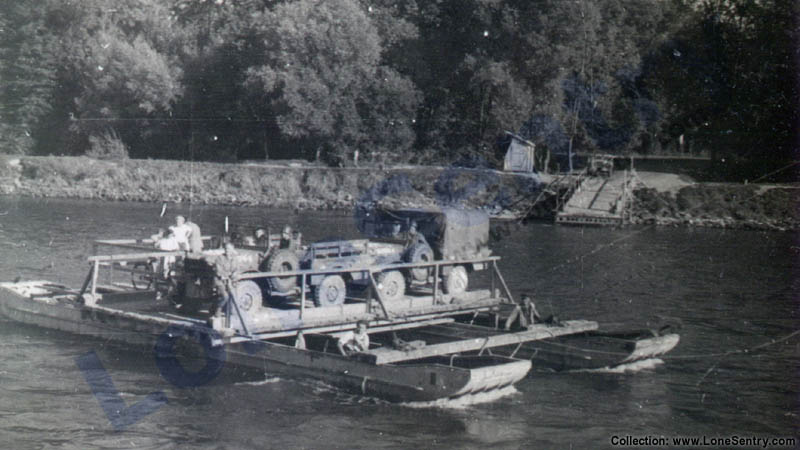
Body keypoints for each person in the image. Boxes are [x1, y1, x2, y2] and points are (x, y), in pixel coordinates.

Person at [211, 242, 240, 319]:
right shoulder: (220, 258)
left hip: (229, 281)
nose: (228, 250)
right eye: (226, 248)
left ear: (233, 249)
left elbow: (236, 269)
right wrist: (226, 276)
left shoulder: (235, 259)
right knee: (225, 296)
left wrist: (234, 275)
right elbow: (218, 271)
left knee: (233, 295)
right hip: (219, 281)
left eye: (229, 249)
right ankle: (218, 309)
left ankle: (229, 312)